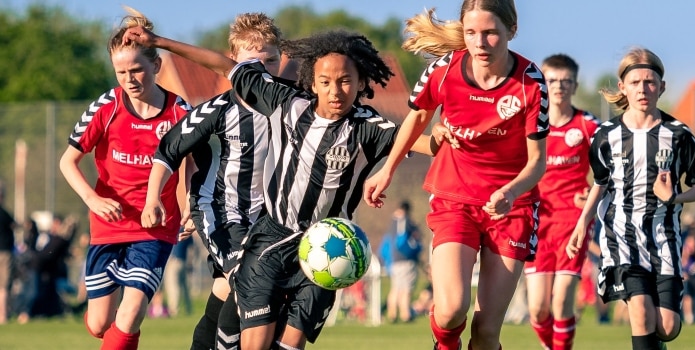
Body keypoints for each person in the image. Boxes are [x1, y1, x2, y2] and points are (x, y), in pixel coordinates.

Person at [123, 25, 435, 349]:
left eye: (345, 81)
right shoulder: (289, 104)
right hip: (270, 238)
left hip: (325, 245)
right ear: (312, 83)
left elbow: (419, 141)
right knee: (250, 338)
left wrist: (445, 137)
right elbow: (226, 67)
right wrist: (159, 42)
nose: (335, 91)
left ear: (360, 83)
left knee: (289, 344)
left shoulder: (367, 126)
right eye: (326, 82)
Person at [364, 2, 550, 349]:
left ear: (512, 30)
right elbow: (416, 120)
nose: (480, 43)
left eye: (491, 33)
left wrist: (510, 191)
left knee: (486, 331)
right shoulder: (443, 71)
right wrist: (386, 170)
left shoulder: (530, 83)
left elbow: (537, 162)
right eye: (471, 33)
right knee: (450, 311)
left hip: (511, 207)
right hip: (455, 197)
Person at [140, 12, 291, 350]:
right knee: (250, 281)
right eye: (253, 62)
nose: (262, 70)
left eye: (271, 60)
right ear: (233, 61)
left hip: (267, 220)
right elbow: (168, 151)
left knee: (227, 289)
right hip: (221, 212)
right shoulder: (218, 110)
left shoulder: (290, 104)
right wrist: (154, 199)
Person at [565, 47, 695, 350]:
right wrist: (583, 222)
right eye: (635, 83)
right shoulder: (605, 135)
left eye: (649, 82)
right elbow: (601, 182)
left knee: (668, 327)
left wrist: (674, 197)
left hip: (665, 240)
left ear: (661, 87)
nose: (642, 89)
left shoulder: (678, 134)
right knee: (640, 311)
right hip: (621, 239)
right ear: (623, 87)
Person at [59, 7, 190, 349]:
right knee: (102, 323)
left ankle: (126, 332)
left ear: (156, 66)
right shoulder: (106, 106)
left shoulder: (180, 112)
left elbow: (193, 163)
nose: (129, 79)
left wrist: (190, 204)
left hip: (155, 226)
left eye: (137, 70)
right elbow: (68, 161)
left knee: (130, 314)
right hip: (109, 223)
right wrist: (93, 199)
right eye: (121, 72)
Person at [523, 53, 599, 350]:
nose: (558, 86)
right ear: (543, 84)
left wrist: (591, 193)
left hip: (573, 222)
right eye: (552, 80)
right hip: (537, 223)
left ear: (575, 86)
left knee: (562, 299)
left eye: (566, 81)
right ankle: (552, 346)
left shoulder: (587, 125)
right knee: (538, 309)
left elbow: (611, 168)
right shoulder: (527, 125)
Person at [382, 200, 422, 323]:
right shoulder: (405, 221)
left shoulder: (392, 222)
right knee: (406, 288)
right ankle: (406, 314)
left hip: (394, 260)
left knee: (395, 288)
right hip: (406, 259)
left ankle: (392, 313)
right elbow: (409, 239)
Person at [0, 180, 15, 325]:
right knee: (4, 286)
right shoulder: (4, 214)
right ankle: (3, 315)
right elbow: (14, 226)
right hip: (4, 254)